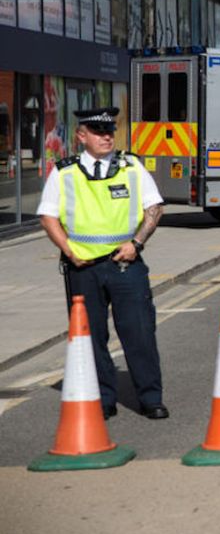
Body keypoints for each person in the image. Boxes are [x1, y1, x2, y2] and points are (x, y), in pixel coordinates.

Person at [37, 107, 168, 420]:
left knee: (139, 332)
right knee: (90, 335)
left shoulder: (132, 166)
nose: (106, 136)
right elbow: (47, 215)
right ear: (81, 136)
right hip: (82, 268)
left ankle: (151, 398)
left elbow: (155, 207)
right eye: (97, 130)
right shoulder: (64, 170)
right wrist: (69, 251)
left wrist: (137, 243)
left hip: (126, 264)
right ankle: (103, 399)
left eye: (109, 130)